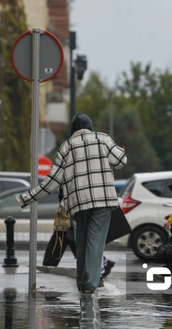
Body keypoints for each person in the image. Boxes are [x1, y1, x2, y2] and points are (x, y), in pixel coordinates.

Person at [17, 112, 127, 294]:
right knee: (96, 241)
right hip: (103, 200)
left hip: (78, 203)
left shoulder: (66, 147)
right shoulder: (103, 139)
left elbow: (51, 183)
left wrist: (26, 198)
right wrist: (121, 151)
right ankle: (90, 285)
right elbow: (120, 161)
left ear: (72, 131)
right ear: (90, 127)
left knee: (82, 239)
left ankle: (83, 282)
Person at [43, 188, 116, 285]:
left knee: (68, 237)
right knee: (70, 238)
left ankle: (102, 263)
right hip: (68, 206)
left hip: (72, 206)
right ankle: (102, 263)